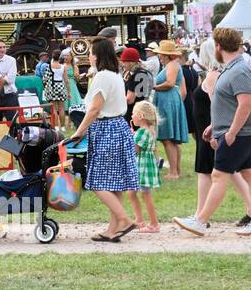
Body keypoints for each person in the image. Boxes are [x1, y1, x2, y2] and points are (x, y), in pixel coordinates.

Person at [174, 27, 251, 237]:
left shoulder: (239, 70)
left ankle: (200, 221)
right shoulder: (232, 67)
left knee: (218, 175)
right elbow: (227, 103)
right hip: (235, 130)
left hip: (240, 133)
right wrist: (214, 125)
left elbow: (246, 104)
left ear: (218, 46)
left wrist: (231, 132)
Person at [67, 37, 138, 242]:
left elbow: (95, 108)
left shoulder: (101, 77)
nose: (88, 56)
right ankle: (113, 229)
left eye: (90, 52)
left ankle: (124, 219)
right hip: (118, 127)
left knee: (96, 181)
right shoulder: (114, 75)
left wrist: (79, 131)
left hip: (106, 129)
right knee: (114, 183)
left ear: (96, 55)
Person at [150, 40, 189, 180]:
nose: (159, 56)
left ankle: (173, 172)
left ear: (165, 55)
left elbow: (170, 83)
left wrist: (153, 87)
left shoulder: (172, 65)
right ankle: (176, 170)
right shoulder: (174, 65)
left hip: (167, 101)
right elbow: (182, 90)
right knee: (173, 140)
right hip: (171, 100)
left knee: (168, 139)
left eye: (160, 54)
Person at [128, 101, 161, 232]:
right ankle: (139, 220)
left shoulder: (142, 132)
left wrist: (130, 139)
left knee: (145, 195)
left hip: (142, 167)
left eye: (133, 114)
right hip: (145, 165)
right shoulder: (150, 130)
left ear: (140, 116)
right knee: (131, 193)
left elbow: (134, 150)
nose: (132, 117)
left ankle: (154, 224)